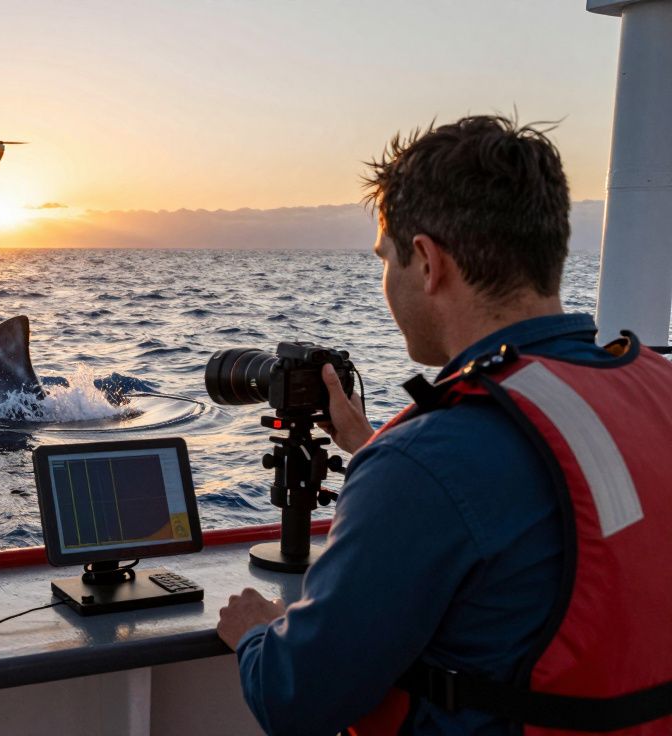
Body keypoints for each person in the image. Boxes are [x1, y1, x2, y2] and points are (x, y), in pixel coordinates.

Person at [216, 116, 672, 735]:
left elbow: (295, 697)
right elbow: (565, 497)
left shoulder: (427, 462)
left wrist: (255, 635)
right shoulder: (653, 388)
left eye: (386, 259)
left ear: (428, 263)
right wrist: (372, 445)